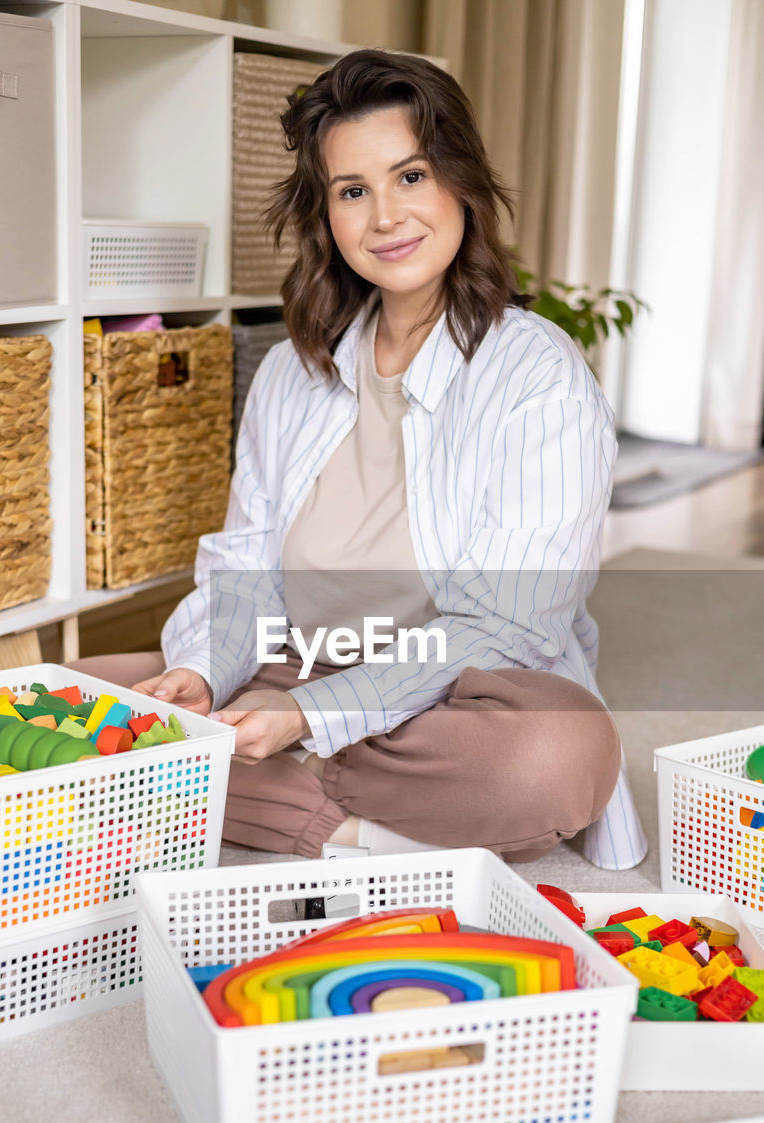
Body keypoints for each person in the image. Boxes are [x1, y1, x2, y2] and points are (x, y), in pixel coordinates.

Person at [77, 49, 646, 870]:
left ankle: (222, 789)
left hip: (454, 688)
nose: (385, 216)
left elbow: (510, 625)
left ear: (460, 184)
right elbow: (246, 566)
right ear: (327, 216)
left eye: (410, 176)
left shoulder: (536, 372)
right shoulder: (288, 371)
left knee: (555, 753)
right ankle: (358, 827)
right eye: (352, 191)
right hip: (294, 656)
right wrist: (203, 675)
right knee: (73, 694)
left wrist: (309, 717)